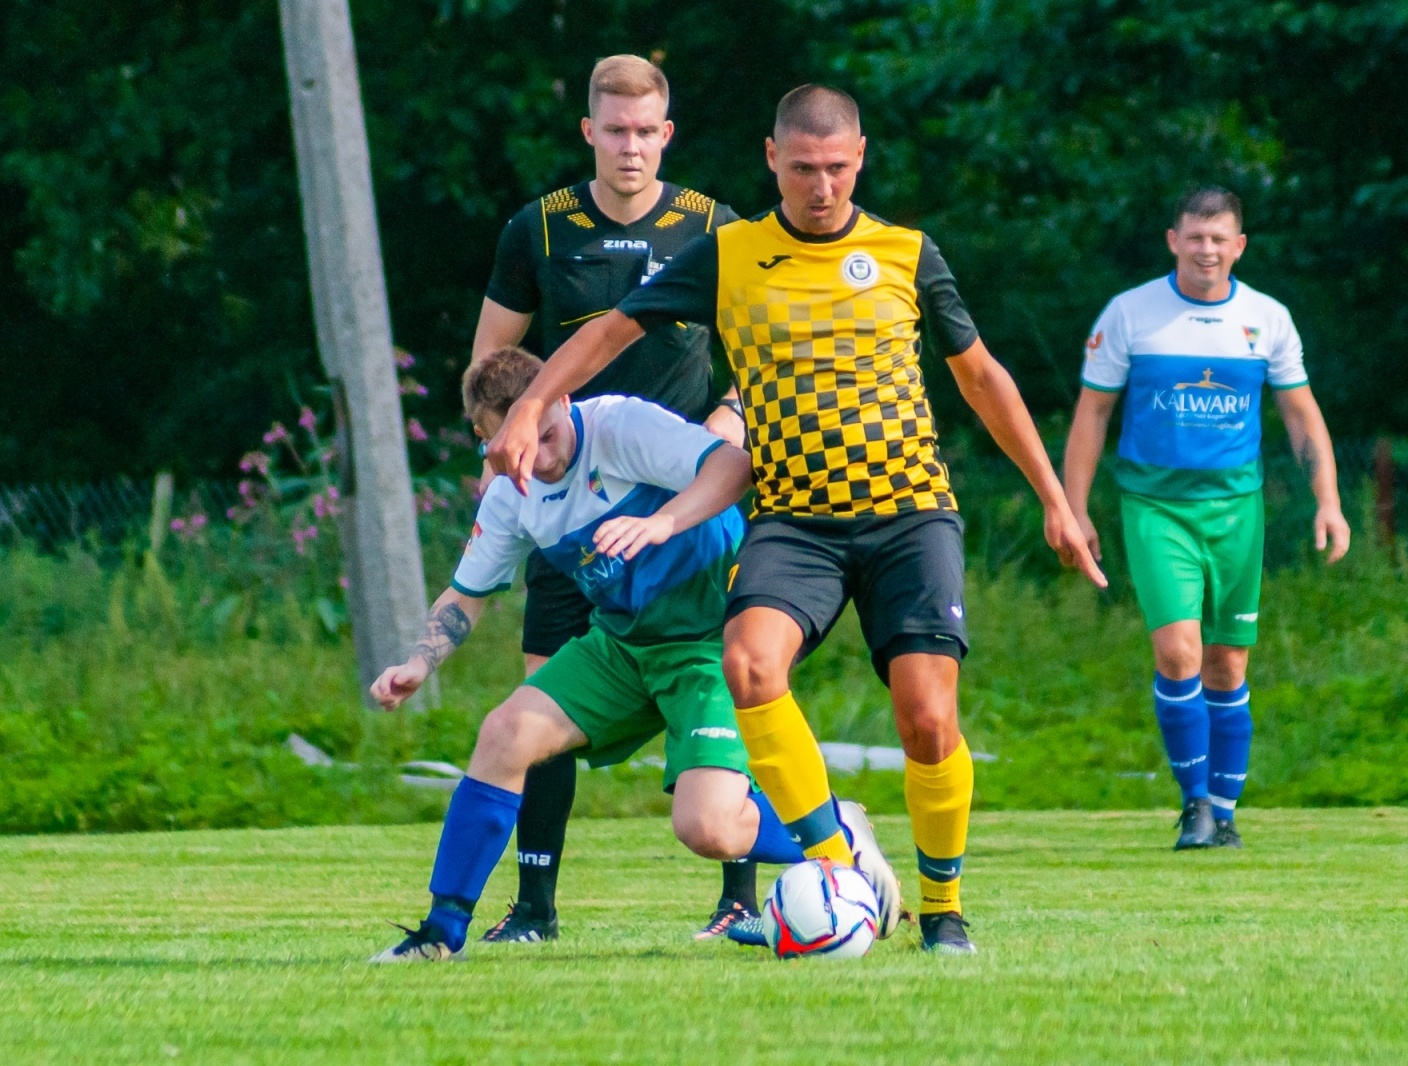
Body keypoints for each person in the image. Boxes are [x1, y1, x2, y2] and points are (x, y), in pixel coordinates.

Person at [485, 85, 1106, 955]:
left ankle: (943, 907)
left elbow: (982, 378)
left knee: (927, 719)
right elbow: (611, 333)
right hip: (795, 517)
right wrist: (533, 403)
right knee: (747, 664)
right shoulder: (727, 254)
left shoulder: (905, 252)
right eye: (805, 168)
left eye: (839, 169)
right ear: (772, 159)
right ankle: (835, 861)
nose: (823, 186)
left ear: (861, 160)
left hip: (908, 517)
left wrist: (1055, 500)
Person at [369, 348, 811, 962]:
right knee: (504, 733)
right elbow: (467, 593)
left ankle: (837, 833)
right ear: (486, 438)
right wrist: (419, 662)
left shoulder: (622, 427)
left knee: (707, 828)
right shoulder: (509, 493)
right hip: (623, 647)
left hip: (713, 641)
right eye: (520, 446)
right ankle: (441, 933)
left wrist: (662, 522)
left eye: (547, 434)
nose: (540, 458)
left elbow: (735, 469)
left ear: (564, 398)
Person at [466, 54, 753, 944]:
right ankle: (536, 906)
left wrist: (728, 425)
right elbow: (490, 370)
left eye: (647, 131)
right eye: (615, 130)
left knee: (725, 690)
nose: (631, 147)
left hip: (686, 505)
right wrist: (499, 457)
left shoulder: (714, 228)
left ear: (668, 134)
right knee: (538, 696)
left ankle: (740, 895)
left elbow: (762, 362)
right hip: (572, 509)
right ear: (589, 131)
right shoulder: (538, 229)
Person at [1061, 186, 1350, 850]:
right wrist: (1073, 509)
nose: (1207, 250)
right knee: (1178, 650)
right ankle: (1193, 804)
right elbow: (1093, 414)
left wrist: (1328, 501)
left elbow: (1301, 414)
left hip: (1237, 514)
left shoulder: (1267, 319)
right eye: (1195, 237)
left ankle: (1224, 809)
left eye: (1220, 239)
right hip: (1156, 507)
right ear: (1173, 240)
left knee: (1227, 663)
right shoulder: (1131, 314)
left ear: (1239, 246)